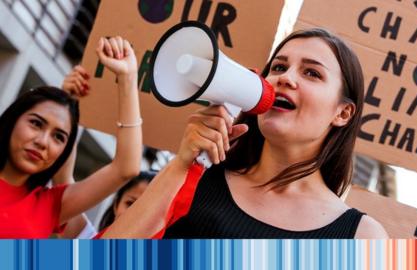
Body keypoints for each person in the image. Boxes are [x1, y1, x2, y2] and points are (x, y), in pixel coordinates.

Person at [103, 28, 388, 238]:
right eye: (279, 67)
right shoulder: (197, 178)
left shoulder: (362, 237)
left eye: (312, 73)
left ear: (342, 113)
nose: (285, 78)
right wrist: (181, 165)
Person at [0, 36, 142, 238]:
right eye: (36, 123)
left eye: (58, 137)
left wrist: (127, 78)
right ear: (13, 119)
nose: (42, 142)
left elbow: (125, 168)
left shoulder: (52, 205)